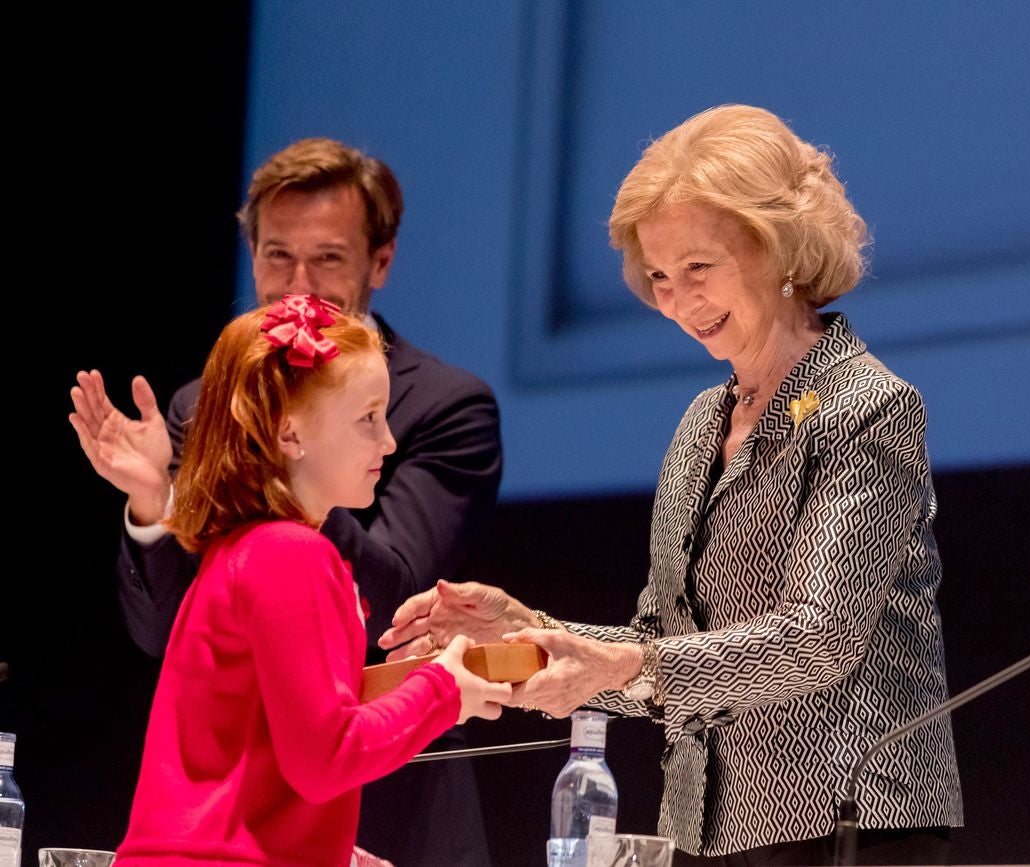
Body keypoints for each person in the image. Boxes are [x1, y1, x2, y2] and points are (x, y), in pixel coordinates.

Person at [379, 104, 963, 865]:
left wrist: (627, 664)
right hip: (706, 827)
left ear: (777, 245)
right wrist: (532, 635)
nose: (679, 302)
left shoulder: (868, 407)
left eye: (699, 268)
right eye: (658, 276)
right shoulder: (700, 423)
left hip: (850, 821)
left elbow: (821, 637)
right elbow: (662, 655)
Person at [67, 138, 501, 865]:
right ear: (289, 429)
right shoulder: (292, 553)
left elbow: (386, 580)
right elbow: (324, 755)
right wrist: (445, 686)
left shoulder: (250, 544)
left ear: (379, 260)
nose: (387, 440)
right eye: (367, 419)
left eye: (328, 256)